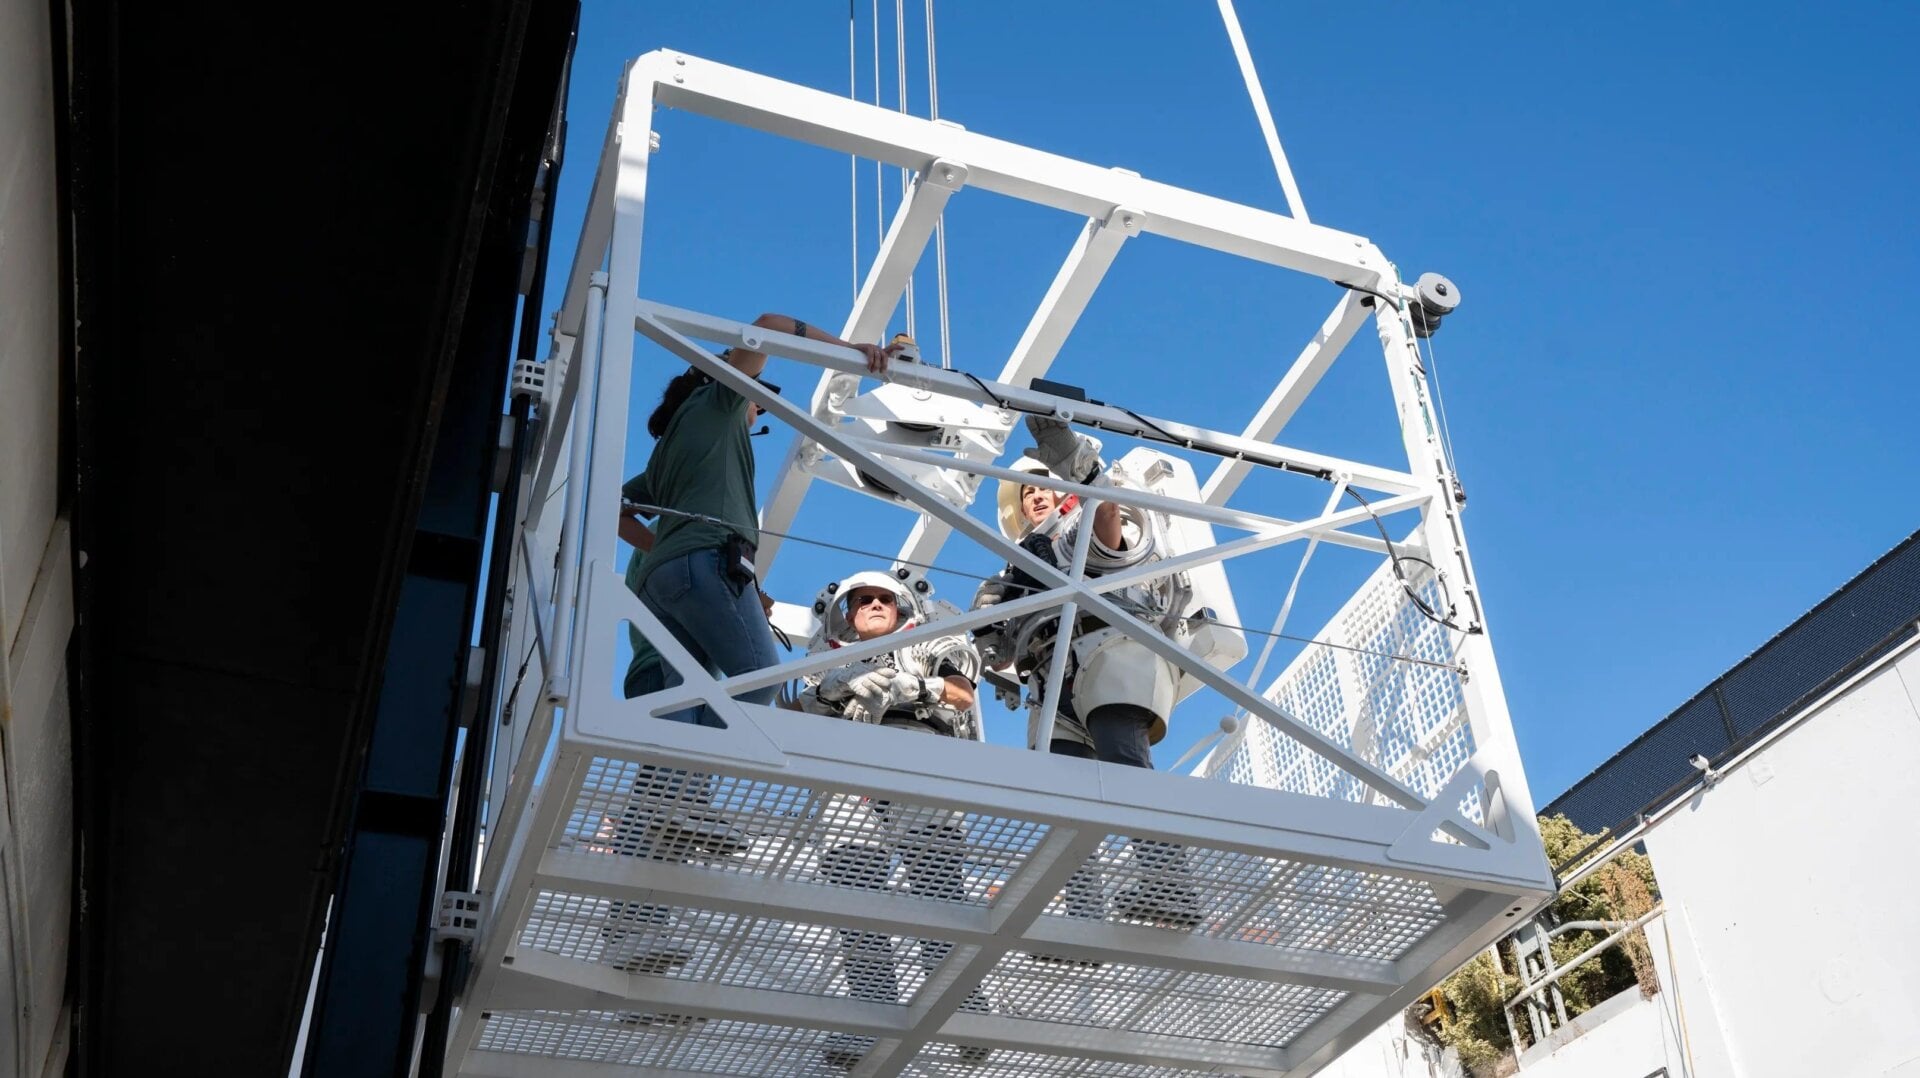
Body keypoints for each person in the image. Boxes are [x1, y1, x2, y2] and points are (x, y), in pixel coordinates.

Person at [971, 414, 1201, 930]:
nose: (1036, 495)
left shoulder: (1077, 526)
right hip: (1053, 684)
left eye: (1045, 484)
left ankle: (1172, 888)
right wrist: (988, 625)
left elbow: (1108, 527)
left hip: (1110, 652)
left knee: (1125, 764)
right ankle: (1082, 915)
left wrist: (1073, 460)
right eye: (1027, 490)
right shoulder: (1019, 565)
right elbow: (1003, 656)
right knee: (1065, 802)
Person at [622, 313, 896, 726]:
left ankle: (672, 784)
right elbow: (768, 323)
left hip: (661, 580)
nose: (759, 405)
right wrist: (848, 351)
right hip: (706, 560)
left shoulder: (665, 452)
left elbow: (615, 506)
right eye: (756, 396)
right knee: (761, 677)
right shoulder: (718, 401)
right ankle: (702, 758)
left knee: (683, 694)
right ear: (725, 379)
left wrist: (664, 548)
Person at [786, 569, 991, 1070]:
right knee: (859, 910)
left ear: (902, 607)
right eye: (863, 600)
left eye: (884, 598)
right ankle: (870, 1018)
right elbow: (791, 712)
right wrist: (833, 688)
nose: (875, 605)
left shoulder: (929, 642)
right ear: (848, 612)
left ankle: (964, 1011)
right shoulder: (825, 660)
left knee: (938, 896)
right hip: (849, 774)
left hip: (917, 762)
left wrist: (914, 688)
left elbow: (962, 693)